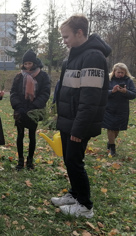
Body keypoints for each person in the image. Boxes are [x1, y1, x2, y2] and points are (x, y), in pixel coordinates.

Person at [51, 14, 112, 218]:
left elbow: (90, 99)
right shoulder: (74, 56)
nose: (64, 41)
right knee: (69, 160)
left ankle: (85, 206)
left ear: (79, 33)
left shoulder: (93, 56)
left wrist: (79, 128)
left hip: (79, 123)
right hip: (69, 120)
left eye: (66, 36)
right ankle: (74, 194)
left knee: (75, 161)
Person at [10, 49, 50, 170]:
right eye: (25, 64)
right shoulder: (18, 76)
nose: (27, 66)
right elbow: (13, 93)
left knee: (32, 135)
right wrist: (18, 106)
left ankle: (30, 161)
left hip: (33, 110)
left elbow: (45, 92)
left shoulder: (43, 76)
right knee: (20, 134)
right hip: (20, 110)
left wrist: (34, 106)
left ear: (34, 63)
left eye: (30, 64)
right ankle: (20, 160)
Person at [102, 63, 136, 156]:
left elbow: (133, 94)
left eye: (122, 72)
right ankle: (112, 149)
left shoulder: (128, 81)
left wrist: (126, 92)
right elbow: (103, 93)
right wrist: (112, 91)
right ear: (114, 72)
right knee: (110, 128)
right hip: (109, 108)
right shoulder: (108, 80)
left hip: (122, 109)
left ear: (125, 72)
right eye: (118, 72)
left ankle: (110, 142)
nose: (120, 74)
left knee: (117, 129)